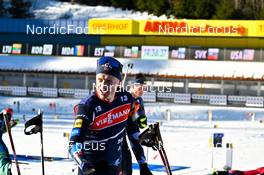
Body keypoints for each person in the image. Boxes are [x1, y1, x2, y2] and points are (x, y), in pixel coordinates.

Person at [68, 56, 152, 175]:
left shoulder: (127, 100)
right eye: (100, 80)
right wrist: (83, 163)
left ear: (119, 83)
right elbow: (73, 143)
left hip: (114, 167)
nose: (103, 85)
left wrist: (143, 164)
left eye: (109, 81)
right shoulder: (87, 106)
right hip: (91, 169)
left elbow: (133, 132)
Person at [122, 73, 151, 175]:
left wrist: (143, 165)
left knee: (137, 143)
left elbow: (141, 122)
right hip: (118, 130)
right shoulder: (125, 98)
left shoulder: (139, 100)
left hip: (130, 125)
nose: (142, 90)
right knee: (125, 158)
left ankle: (143, 167)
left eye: (144, 87)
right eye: (139, 87)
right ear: (133, 86)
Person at [0, 108, 18, 175]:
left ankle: (4, 168)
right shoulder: (3, 118)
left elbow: (4, 129)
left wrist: (12, 123)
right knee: (4, 154)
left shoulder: (3, 119)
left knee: (4, 154)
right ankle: (5, 168)